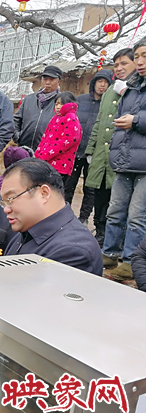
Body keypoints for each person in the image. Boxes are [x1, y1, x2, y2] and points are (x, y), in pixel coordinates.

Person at [0, 158, 102, 275]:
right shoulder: (24, 231)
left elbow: (31, 291)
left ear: (43, 193)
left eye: (11, 199)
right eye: (3, 202)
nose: (6, 209)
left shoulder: (73, 251)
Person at [101, 39, 146, 279]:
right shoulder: (129, 88)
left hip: (145, 166)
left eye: (144, 56)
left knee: (137, 216)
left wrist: (136, 121)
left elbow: (132, 120)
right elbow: (118, 123)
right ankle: (109, 253)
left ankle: (130, 261)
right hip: (124, 159)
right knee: (115, 210)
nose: (140, 62)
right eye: (137, 56)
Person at [86, 49, 137, 247]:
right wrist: (91, 149)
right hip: (101, 154)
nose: (119, 68)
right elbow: (100, 122)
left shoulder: (136, 90)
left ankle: (117, 239)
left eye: (124, 63)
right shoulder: (109, 91)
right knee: (99, 195)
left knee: (118, 201)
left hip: (122, 154)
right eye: (116, 65)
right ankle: (100, 232)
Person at [65, 70, 113, 218]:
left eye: (106, 82)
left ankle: (84, 218)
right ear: (94, 83)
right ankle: (65, 216)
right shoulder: (81, 100)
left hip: (94, 153)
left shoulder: (109, 105)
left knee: (90, 188)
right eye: (99, 81)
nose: (102, 85)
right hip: (75, 150)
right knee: (68, 186)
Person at [35, 91, 82, 184]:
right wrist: (37, 154)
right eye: (56, 104)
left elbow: (66, 141)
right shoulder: (55, 118)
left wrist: (45, 155)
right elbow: (45, 138)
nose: (58, 106)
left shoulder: (71, 118)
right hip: (47, 162)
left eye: (62, 104)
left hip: (60, 166)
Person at [14, 65, 62, 151]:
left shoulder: (62, 102)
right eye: (45, 79)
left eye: (51, 80)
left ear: (59, 82)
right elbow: (16, 120)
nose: (47, 82)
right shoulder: (29, 99)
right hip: (24, 149)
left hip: (47, 152)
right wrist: (18, 136)